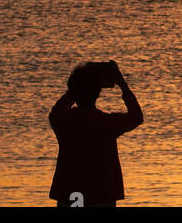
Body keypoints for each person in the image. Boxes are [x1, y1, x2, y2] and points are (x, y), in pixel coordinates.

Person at [48, 59, 143, 207]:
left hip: (70, 194)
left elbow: (58, 109)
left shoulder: (63, 122)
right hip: (102, 195)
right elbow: (137, 117)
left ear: (73, 91)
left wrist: (78, 84)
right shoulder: (106, 123)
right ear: (97, 93)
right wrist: (121, 83)